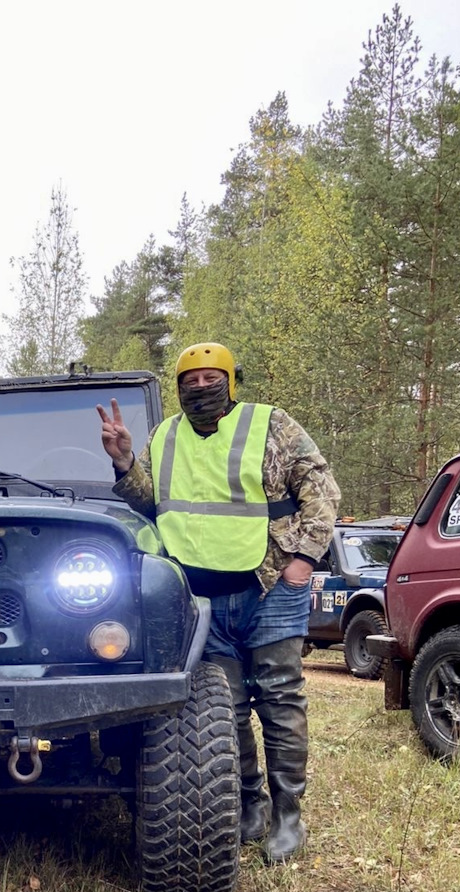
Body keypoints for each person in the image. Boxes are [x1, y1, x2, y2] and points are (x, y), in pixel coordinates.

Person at [98, 342, 340, 864]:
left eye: (212, 378)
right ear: (179, 387)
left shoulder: (271, 425)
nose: (201, 387)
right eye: (191, 380)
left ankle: (288, 816)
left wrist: (304, 557)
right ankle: (249, 804)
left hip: (268, 586)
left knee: (279, 700)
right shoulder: (164, 436)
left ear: (231, 381)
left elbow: (321, 489)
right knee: (225, 709)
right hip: (200, 596)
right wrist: (123, 461)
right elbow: (152, 500)